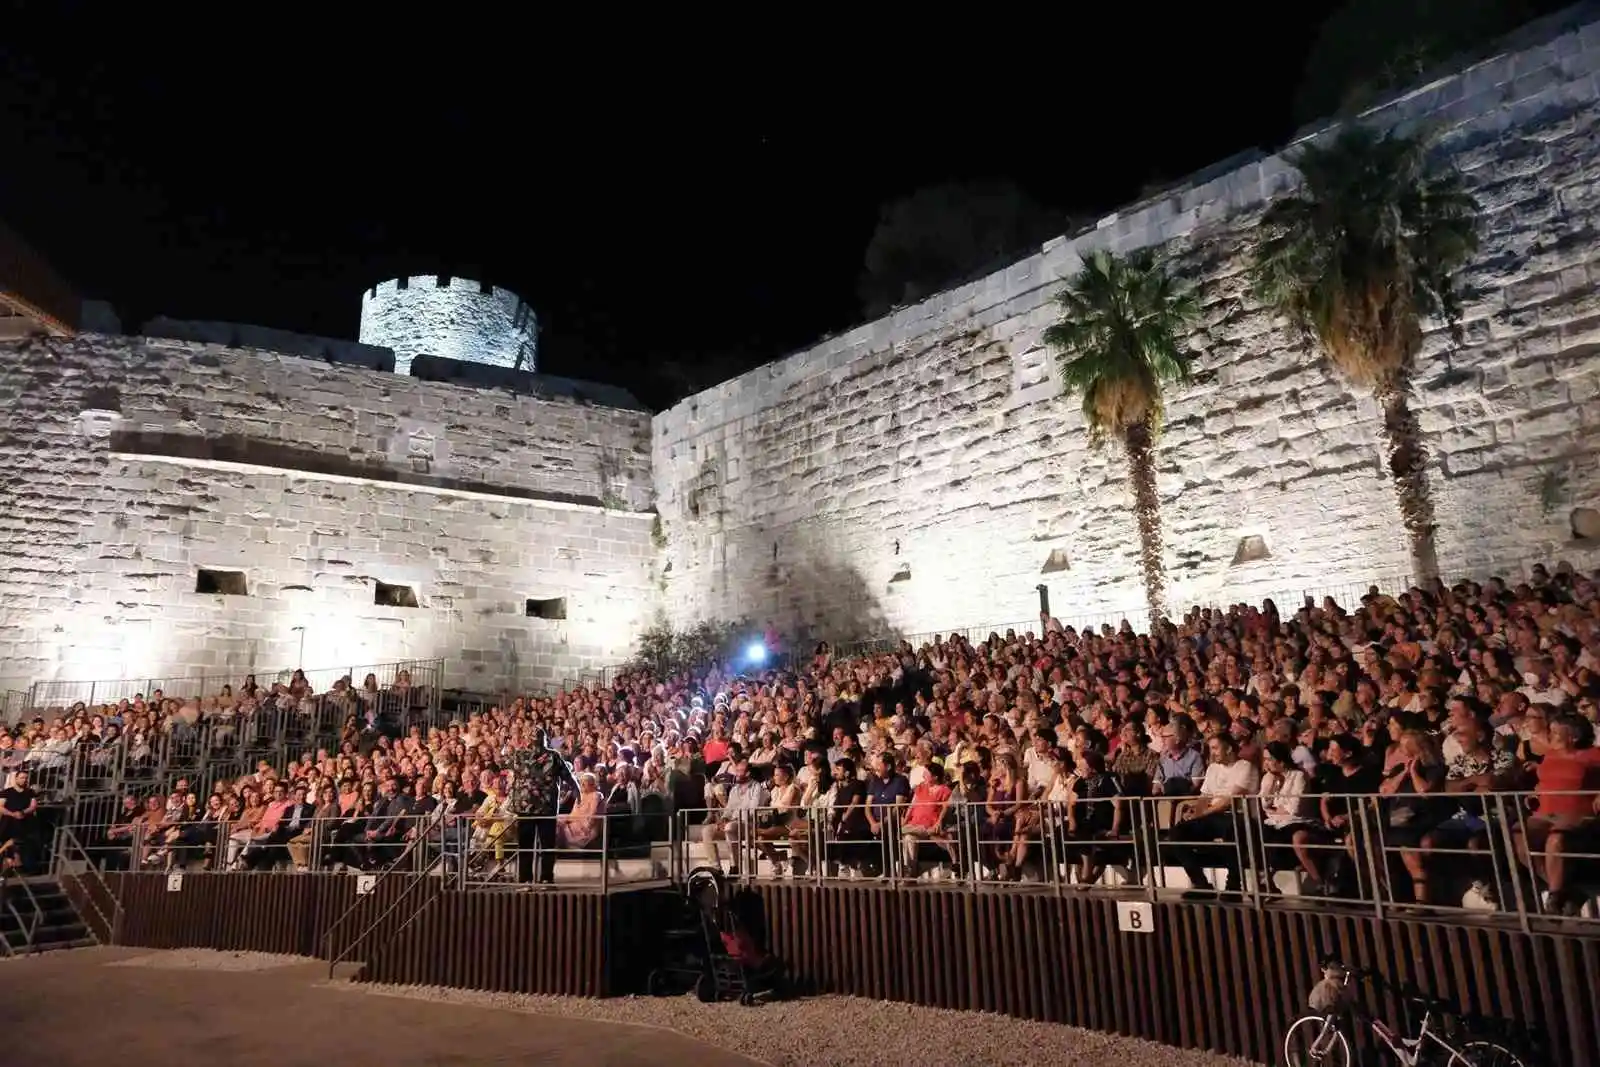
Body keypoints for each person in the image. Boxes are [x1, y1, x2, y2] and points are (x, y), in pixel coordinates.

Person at [508, 727, 579, 884]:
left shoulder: (551, 756)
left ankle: (541, 878)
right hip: (530, 807)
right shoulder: (521, 755)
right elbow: (568, 777)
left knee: (544, 845)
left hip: (543, 807)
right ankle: (532, 878)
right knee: (532, 845)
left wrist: (577, 790)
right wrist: (576, 790)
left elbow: (568, 776)